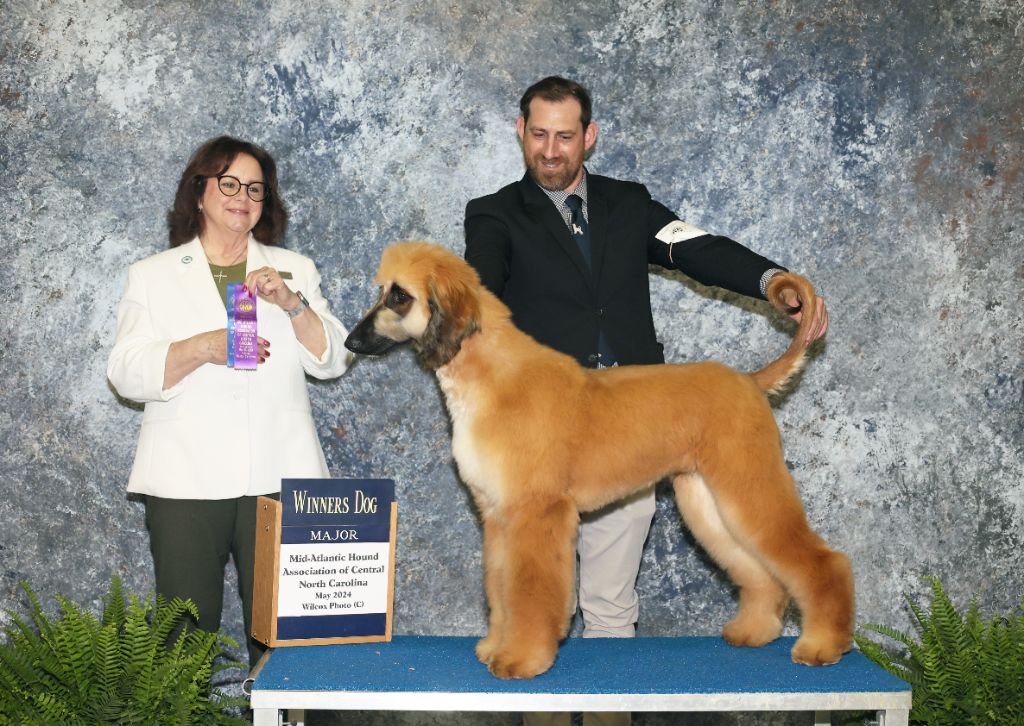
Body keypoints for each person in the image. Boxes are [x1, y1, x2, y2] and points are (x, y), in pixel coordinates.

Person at [464, 76, 827, 726]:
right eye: (539, 134)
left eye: (565, 136)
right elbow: (481, 292)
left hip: (632, 430)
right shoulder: (492, 214)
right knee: (536, 600)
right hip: (538, 439)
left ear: (589, 138)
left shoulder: (630, 205)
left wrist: (771, 279)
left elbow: (698, 250)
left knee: (609, 608)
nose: (551, 150)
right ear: (521, 133)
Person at [107, 136, 351, 667]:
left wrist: (292, 303)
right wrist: (201, 348)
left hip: (281, 474)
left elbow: (333, 359)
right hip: (184, 479)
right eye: (230, 183)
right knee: (184, 636)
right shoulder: (151, 275)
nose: (243, 197)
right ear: (200, 192)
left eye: (256, 189)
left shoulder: (295, 270)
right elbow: (125, 372)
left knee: (287, 636)